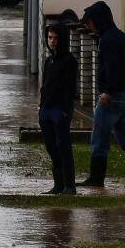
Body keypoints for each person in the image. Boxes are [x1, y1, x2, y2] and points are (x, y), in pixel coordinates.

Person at [80, 0, 125, 189]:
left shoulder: (107, 40)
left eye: (90, 22)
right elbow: (123, 67)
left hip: (111, 97)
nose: (89, 26)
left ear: (97, 20)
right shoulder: (120, 37)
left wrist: (106, 92)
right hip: (124, 95)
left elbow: (112, 69)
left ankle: (96, 177)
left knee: (99, 138)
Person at [39, 13, 80, 195]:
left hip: (60, 111)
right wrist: (41, 106)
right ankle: (58, 184)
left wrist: (64, 110)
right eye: (50, 37)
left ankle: (69, 185)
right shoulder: (49, 61)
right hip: (46, 110)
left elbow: (70, 88)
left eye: (55, 38)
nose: (52, 41)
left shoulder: (69, 61)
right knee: (51, 147)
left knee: (63, 146)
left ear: (62, 39)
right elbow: (45, 84)